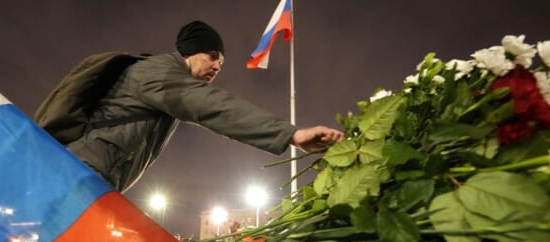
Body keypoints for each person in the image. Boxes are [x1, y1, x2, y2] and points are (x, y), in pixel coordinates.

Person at [56, 20, 345, 192]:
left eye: (222, 61)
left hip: (91, 178)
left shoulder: (163, 78)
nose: (218, 65)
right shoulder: (159, 73)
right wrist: (291, 134)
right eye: (212, 55)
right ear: (190, 52)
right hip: (81, 177)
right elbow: (213, 107)